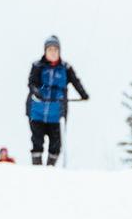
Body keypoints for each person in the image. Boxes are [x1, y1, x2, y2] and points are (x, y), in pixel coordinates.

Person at [25, 35, 88, 166]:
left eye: (55, 49)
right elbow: (32, 83)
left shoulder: (66, 68)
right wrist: (37, 92)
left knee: (55, 143)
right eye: (50, 49)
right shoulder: (37, 66)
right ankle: (36, 169)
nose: (53, 52)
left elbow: (76, 82)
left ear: (59, 51)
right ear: (45, 51)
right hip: (37, 111)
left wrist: (83, 94)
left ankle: (50, 169)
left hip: (57, 113)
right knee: (37, 141)